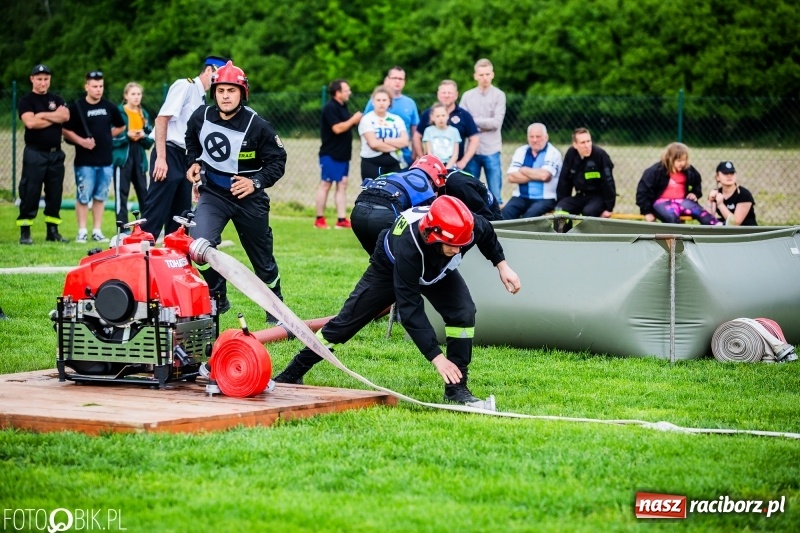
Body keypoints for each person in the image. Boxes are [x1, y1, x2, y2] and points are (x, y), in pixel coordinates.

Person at [273, 196, 522, 405]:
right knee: (345, 324)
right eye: (452, 246)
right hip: (389, 267)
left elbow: (487, 232)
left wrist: (502, 266)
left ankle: (456, 389)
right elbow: (410, 307)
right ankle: (293, 372)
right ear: (432, 235)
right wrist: (437, 357)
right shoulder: (409, 247)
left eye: (462, 245)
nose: (459, 251)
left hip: (436, 269)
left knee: (463, 312)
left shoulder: (466, 228)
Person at [185, 61, 287, 320]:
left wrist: (255, 182)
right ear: (214, 93)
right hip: (213, 195)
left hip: (249, 199)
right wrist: (194, 161)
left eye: (231, 90)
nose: (225, 96)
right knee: (199, 246)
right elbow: (191, 141)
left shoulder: (258, 125)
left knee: (262, 261)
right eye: (220, 91)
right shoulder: (201, 116)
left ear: (242, 93)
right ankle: (218, 296)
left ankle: (275, 305)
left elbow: (278, 161)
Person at [141, 55, 228, 238]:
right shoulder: (186, 86)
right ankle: (142, 257)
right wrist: (161, 158)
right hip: (169, 152)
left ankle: (174, 262)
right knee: (156, 212)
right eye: (220, 75)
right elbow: (161, 119)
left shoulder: (203, 99)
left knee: (180, 217)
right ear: (208, 70)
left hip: (185, 158)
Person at [62, 70, 126, 243]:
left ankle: (97, 230)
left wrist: (107, 136)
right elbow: (65, 129)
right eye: (95, 86)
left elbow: (121, 126)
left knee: (100, 196)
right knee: (83, 196)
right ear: (87, 87)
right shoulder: (77, 107)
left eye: (101, 86)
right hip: (84, 162)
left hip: (106, 161)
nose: (98, 89)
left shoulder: (109, 106)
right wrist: (81, 142)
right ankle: (82, 231)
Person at [16, 64, 70, 245]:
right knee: (30, 191)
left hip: (56, 155)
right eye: (39, 79)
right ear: (32, 79)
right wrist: (54, 116)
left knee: (55, 193)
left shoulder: (57, 98)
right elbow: (30, 123)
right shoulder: (26, 101)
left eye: (46, 79)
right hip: (35, 153)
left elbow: (65, 117)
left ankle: (52, 231)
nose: (43, 82)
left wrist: (42, 115)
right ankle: (25, 231)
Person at [350, 155, 444, 254]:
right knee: (402, 259)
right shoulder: (425, 187)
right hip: (384, 214)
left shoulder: (394, 175)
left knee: (378, 262)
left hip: (358, 213)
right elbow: (430, 221)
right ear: (433, 182)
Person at [315, 79, 362, 230]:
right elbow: (337, 128)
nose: (349, 93)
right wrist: (353, 120)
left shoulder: (343, 106)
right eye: (346, 90)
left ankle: (341, 219)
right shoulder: (330, 108)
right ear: (338, 93)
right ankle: (319, 219)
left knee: (342, 185)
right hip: (330, 154)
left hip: (343, 155)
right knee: (326, 185)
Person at [635, 142, 720, 225]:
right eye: (679, 160)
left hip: (682, 201)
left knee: (703, 214)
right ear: (669, 159)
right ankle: (677, 238)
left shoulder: (688, 170)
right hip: (661, 203)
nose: (682, 163)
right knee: (672, 219)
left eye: (684, 160)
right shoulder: (655, 171)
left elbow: (697, 182)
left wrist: (694, 193)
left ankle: (719, 230)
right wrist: (647, 212)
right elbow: (642, 192)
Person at [459, 58, 506, 206]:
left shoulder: (499, 95)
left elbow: (496, 123)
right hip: (472, 151)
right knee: (471, 192)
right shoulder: (467, 96)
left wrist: (474, 121)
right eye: (481, 74)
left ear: (493, 74)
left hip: (491, 149)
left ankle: (498, 224)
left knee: (495, 193)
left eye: (487, 74)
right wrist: (483, 123)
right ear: (475, 76)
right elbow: (463, 121)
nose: (484, 77)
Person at [112, 82, 153, 228]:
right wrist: (126, 135)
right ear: (126, 96)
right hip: (123, 157)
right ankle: (122, 227)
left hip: (139, 157)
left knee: (144, 192)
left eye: (138, 94)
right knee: (121, 193)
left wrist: (143, 135)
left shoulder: (144, 114)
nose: (136, 97)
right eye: (133, 94)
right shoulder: (118, 112)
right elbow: (111, 138)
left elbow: (150, 141)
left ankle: (148, 226)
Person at [413, 80, 479, 171]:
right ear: (438, 94)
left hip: (454, 166)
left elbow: (474, 139)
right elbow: (417, 136)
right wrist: (422, 159)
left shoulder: (464, 115)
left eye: (450, 93)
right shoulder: (428, 113)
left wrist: (463, 161)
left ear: (456, 95)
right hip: (432, 167)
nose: (446, 95)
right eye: (443, 92)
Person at [502, 123, 563, 220]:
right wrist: (536, 174)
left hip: (545, 198)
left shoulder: (553, 153)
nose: (534, 140)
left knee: (529, 217)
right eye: (531, 137)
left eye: (538, 137)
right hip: (521, 197)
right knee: (505, 213)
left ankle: (522, 235)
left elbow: (545, 176)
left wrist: (523, 169)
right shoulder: (521, 151)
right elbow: (511, 177)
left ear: (546, 137)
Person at [554, 127, 616, 218]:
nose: (587, 145)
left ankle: (586, 232)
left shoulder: (600, 155)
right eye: (583, 142)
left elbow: (608, 182)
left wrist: (609, 208)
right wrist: (562, 201)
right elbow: (564, 180)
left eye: (588, 141)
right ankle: (562, 231)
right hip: (580, 196)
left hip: (598, 197)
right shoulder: (571, 154)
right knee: (560, 209)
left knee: (588, 212)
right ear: (575, 145)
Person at [364, 66, 420, 166]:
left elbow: (415, 131)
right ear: (387, 80)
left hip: (403, 155)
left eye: (400, 79)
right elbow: (365, 126)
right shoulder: (375, 101)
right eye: (394, 78)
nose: (397, 81)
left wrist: (415, 153)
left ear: (404, 81)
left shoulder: (410, 103)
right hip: (376, 155)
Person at [358, 86, 408, 181]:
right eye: (378, 100)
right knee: (372, 193)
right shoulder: (367, 119)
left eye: (384, 100)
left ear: (389, 102)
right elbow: (373, 144)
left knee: (394, 193)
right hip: (371, 162)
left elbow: (405, 141)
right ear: (373, 102)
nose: (381, 103)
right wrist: (395, 147)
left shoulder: (396, 119)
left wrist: (384, 140)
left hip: (394, 163)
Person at [706, 161, 758, 226]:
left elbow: (735, 223)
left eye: (732, 173)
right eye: (725, 173)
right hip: (728, 232)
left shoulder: (744, 194)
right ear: (717, 177)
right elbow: (708, 221)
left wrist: (720, 204)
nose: (729, 176)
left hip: (746, 231)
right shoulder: (716, 193)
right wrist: (710, 201)